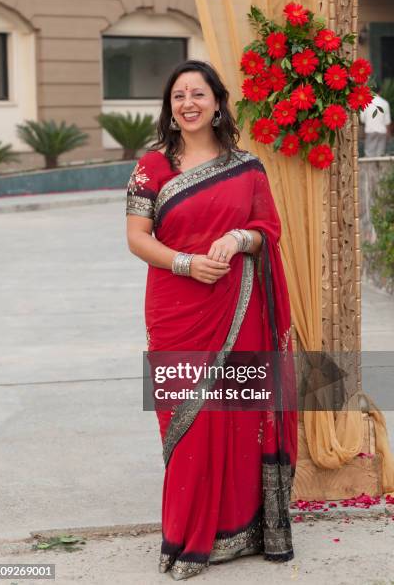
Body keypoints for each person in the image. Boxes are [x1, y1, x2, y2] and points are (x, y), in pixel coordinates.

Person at [126, 59, 298, 580]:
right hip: (178, 308)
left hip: (240, 304)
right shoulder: (152, 166)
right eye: (178, 96)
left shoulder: (248, 167)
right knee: (188, 423)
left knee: (239, 415)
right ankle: (187, 537)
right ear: (170, 109)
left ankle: (242, 531)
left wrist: (239, 238)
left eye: (198, 94)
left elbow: (268, 228)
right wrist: (185, 262)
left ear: (218, 102)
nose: (188, 104)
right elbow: (137, 238)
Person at [360, 85, 391, 157]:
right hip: (381, 132)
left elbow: (362, 120)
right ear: (380, 91)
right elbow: (387, 121)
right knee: (380, 155)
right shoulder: (385, 103)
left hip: (370, 131)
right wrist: (388, 135)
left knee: (369, 155)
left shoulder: (365, 102)